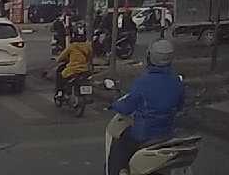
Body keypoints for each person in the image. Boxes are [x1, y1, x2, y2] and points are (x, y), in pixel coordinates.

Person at [107, 39, 185, 175]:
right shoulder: (177, 81)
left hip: (143, 135)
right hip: (167, 134)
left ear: (150, 57)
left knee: (119, 145)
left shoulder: (143, 82)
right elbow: (180, 106)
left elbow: (127, 106)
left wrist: (114, 104)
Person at [54, 25, 94, 97]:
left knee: (60, 75)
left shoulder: (72, 46)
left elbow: (61, 57)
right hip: (84, 69)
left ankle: (60, 92)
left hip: (72, 69)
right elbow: (89, 57)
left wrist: (57, 59)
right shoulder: (88, 46)